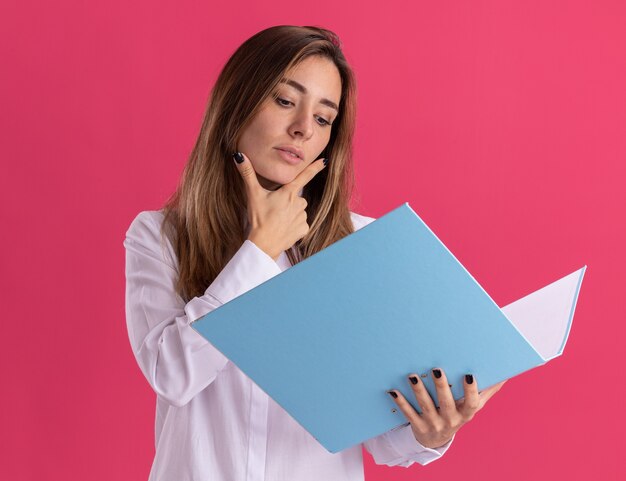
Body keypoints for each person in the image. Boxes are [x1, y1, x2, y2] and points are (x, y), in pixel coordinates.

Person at [124, 25, 505, 481]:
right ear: (237, 103)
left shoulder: (361, 245)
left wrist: (431, 431)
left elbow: (383, 439)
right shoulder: (160, 235)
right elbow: (173, 375)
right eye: (285, 101)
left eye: (324, 118)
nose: (303, 128)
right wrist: (259, 252)